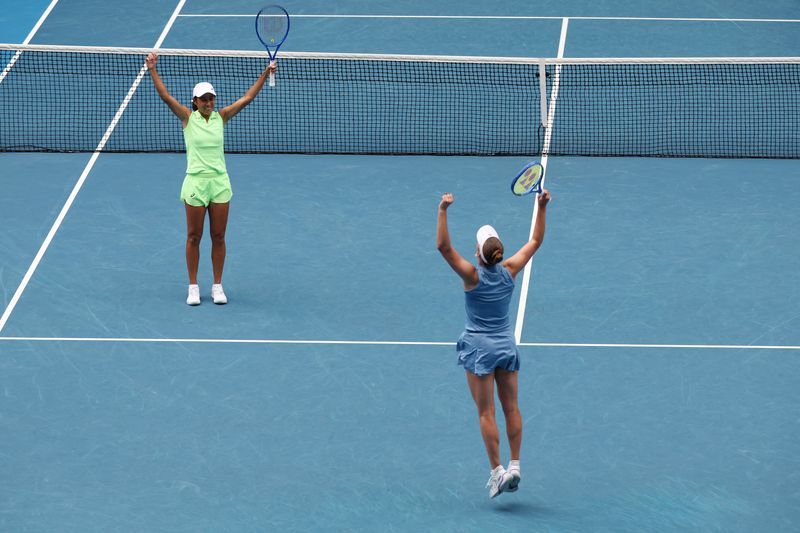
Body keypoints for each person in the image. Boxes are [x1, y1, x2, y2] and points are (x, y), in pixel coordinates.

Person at [436, 190, 551, 499]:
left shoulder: (472, 276)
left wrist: (443, 209)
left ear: (478, 253)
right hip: (505, 347)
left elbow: (443, 247)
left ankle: (498, 473)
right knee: (511, 407)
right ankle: (515, 465)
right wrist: (541, 207)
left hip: (478, 350)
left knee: (486, 412)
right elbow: (536, 241)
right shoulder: (510, 271)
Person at [146, 53, 276, 305]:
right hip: (195, 183)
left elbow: (248, 98)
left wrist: (266, 72)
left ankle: (217, 285)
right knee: (194, 236)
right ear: (194, 101)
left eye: (211, 98)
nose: (208, 102)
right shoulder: (187, 118)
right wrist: (152, 69)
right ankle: (193, 286)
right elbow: (165, 96)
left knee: (218, 236)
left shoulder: (222, 117)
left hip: (219, 184)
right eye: (204, 99)